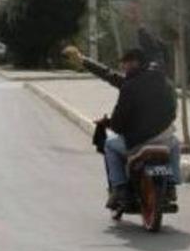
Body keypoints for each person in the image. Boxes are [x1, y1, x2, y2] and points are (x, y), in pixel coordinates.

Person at [67, 47, 181, 209]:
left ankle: (119, 188)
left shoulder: (129, 86)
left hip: (137, 142)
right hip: (164, 137)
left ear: (134, 63)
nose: (123, 68)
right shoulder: (164, 81)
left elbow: (119, 123)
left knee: (109, 145)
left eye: (125, 64)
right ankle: (171, 184)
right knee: (175, 145)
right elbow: (173, 109)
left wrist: (108, 123)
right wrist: (85, 61)